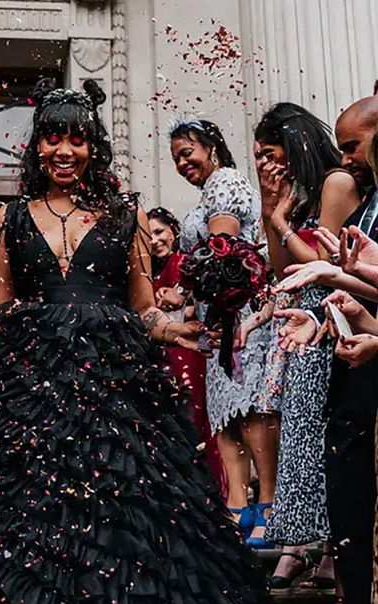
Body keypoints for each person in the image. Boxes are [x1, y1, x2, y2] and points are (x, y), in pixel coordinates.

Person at [0, 81, 263, 603]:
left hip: (113, 389)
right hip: (29, 392)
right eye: (52, 139)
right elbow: (1, 313)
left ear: (93, 147)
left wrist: (176, 330)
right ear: (37, 147)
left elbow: (142, 309)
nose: (64, 151)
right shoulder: (11, 219)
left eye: (77, 139)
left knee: (121, 511)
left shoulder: (126, 214)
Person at [272, 96, 378, 601]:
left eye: (353, 146)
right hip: (354, 349)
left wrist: (331, 270)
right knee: (349, 489)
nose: (347, 159)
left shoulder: (342, 188)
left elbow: (342, 268)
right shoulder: (368, 200)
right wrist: (322, 312)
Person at [254, 103, 358, 594]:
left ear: (293, 145)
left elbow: (322, 259)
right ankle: (299, 541)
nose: (266, 164)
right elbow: (281, 269)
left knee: (319, 433)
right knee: (297, 432)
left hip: (332, 312)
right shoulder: (293, 194)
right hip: (301, 319)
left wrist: (282, 221)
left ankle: (329, 546)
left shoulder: (336, 183)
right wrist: (269, 206)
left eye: (270, 154)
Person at [170, 117, 280, 549]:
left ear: (211, 147)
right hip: (217, 322)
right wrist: (178, 295)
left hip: (245, 315)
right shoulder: (202, 198)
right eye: (176, 157)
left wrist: (191, 284)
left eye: (188, 152)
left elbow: (223, 251)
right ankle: (237, 503)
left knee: (252, 412)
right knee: (224, 418)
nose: (182, 163)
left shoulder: (227, 183)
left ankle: (270, 504)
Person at [148, 206, 225, 491]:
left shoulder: (182, 262)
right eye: (149, 235)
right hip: (165, 352)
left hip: (188, 351)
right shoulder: (150, 272)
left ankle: (208, 489)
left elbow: (196, 305)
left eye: (159, 232)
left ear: (174, 232)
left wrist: (185, 306)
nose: (155, 240)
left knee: (193, 418)